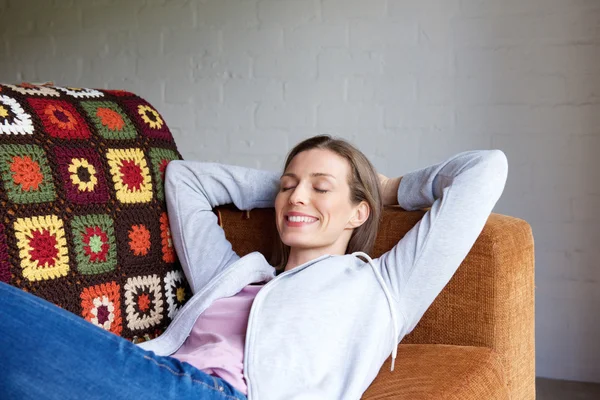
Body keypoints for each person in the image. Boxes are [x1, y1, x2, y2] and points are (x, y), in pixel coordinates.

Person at [0, 135, 508, 400]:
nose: (296, 196)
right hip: (157, 377)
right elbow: (185, 179)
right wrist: (297, 188)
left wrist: (387, 187)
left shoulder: (384, 286)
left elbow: (485, 169)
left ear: (360, 211)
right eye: (288, 185)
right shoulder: (235, 272)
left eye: (321, 187)